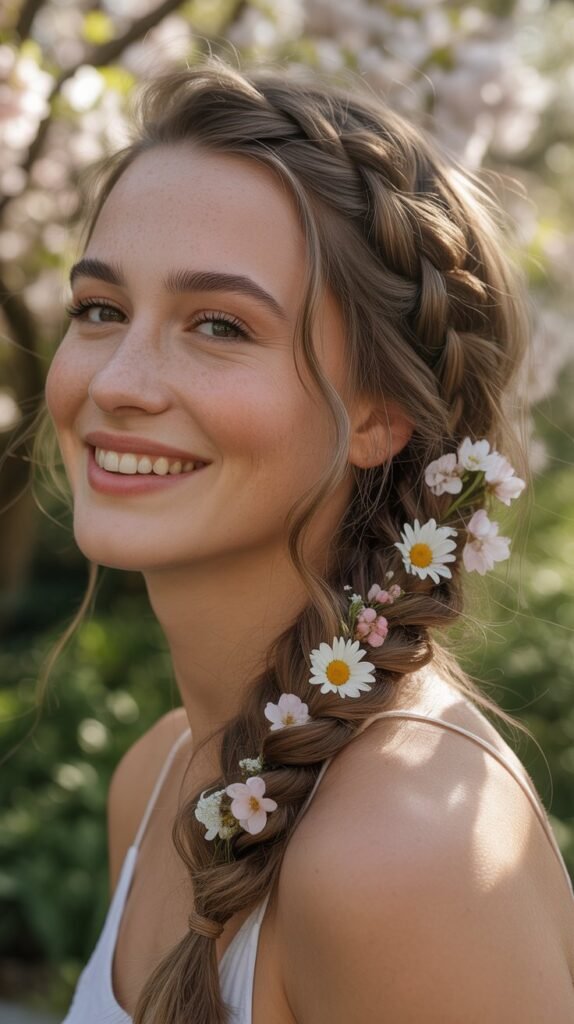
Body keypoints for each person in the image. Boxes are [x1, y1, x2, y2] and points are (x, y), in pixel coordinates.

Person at [39, 55, 573, 1023]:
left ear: (379, 414)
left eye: (217, 325)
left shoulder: (402, 855)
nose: (116, 380)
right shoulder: (160, 777)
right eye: (100, 309)